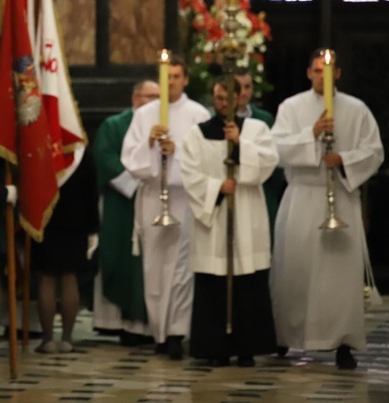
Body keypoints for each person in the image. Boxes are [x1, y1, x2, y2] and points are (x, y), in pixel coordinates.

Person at [270, 49, 384, 369]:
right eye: (317, 70)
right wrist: (312, 135)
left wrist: (344, 160)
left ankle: (342, 341)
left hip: (340, 199)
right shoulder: (291, 107)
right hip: (302, 196)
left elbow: (374, 152)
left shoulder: (356, 109)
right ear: (309, 73)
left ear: (339, 75)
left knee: (338, 276)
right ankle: (285, 336)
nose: (323, 76)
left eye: (329, 71)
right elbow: (275, 149)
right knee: (294, 270)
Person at [180, 78, 278, 367]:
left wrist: (240, 144)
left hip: (246, 215)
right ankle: (214, 348)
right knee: (214, 282)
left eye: (229, 99)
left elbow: (268, 164)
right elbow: (190, 173)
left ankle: (247, 347)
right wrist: (216, 187)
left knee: (248, 282)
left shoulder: (257, 130)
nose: (224, 105)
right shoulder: (197, 135)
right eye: (219, 98)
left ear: (240, 98)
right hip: (216, 218)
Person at [120, 56, 211, 359]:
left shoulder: (198, 114)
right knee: (154, 267)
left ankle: (176, 332)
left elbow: (207, 159)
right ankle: (158, 331)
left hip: (184, 197)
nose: (170, 81)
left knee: (182, 268)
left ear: (185, 79)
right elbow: (128, 157)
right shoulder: (145, 114)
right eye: (165, 76)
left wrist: (178, 153)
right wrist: (149, 145)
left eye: (176, 76)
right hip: (151, 196)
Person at [93, 80, 160, 345]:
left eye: (158, 96)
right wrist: (138, 185)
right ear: (135, 99)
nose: (155, 102)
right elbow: (105, 157)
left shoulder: (161, 125)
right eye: (149, 96)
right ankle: (120, 323)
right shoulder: (115, 125)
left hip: (154, 200)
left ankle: (150, 324)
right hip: (123, 203)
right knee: (121, 257)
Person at [32, 148, 99, 354]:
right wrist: (94, 227)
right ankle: (68, 339)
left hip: (46, 218)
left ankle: (48, 340)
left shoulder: (41, 141)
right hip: (76, 221)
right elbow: (91, 190)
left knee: (47, 277)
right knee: (70, 277)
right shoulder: (80, 149)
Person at [235, 70, 285, 241]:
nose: (243, 92)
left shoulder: (264, 119)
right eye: (238, 87)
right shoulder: (215, 120)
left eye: (247, 86)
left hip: (263, 192)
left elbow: (275, 159)